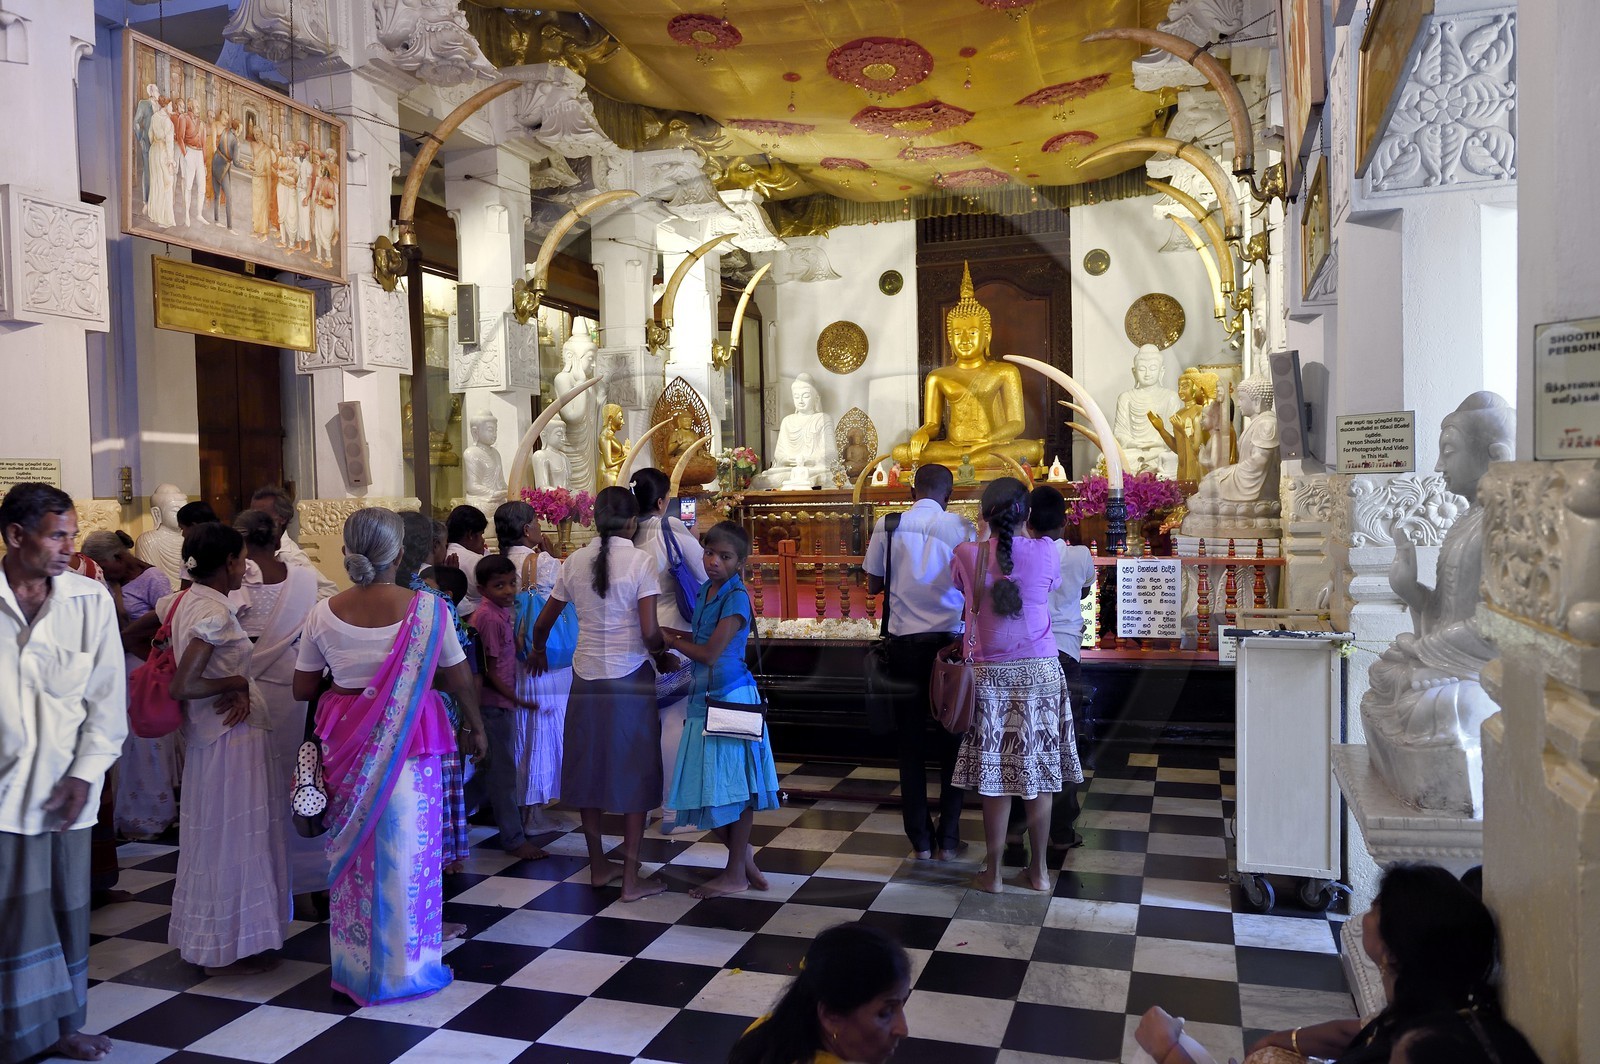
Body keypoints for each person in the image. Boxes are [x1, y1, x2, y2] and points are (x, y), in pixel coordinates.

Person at [292, 508, 486, 1006]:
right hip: (413, 738)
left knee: (355, 854)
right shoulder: (429, 610)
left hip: (343, 741)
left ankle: (357, 969)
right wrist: (475, 726)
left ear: (346, 552)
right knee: (408, 851)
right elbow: (460, 677)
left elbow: (302, 688)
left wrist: (355, 682)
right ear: (400, 554)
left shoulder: (322, 612)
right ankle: (406, 968)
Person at [1135, 864, 1540, 1064]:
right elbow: (1355, 1030)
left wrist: (1170, 1050)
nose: (1366, 913)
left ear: (1393, 952)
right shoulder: (1455, 1003)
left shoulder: (1417, 1050)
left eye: (1377, 908)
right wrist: (1284, 1038)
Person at [0, 484, 126, 1064]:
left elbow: (106, 701)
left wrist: (85, 773)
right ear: (15, 536)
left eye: (71, 536)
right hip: (3, 797)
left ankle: (62, 1028)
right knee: (10, 920)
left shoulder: (87, 601)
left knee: (65, 914)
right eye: (57, 535)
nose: (67, 547)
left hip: (65, 793)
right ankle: (14, 1035)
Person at [162, 522, 290, 976]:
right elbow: (185, 683)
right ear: (226, 565)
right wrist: (238, 680)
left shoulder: (190, 601)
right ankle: (228, 945)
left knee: (216, 837)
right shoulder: (213, 613)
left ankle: (223, 940)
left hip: (216, 736)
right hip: (229, 741)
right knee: (235, 838)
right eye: (240, 559)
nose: (246, 566)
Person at [530, 486, 670, 902]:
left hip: (586, 679)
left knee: (587, 770)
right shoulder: (641, 561)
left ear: (595, 520)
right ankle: (630, 880)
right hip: (630, 680)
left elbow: (542, 624)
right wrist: (664, 657)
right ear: (632, 523)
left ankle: (597, 867)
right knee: (635, 770)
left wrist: (539, 651)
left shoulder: (573, 562)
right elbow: (649, 633)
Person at [951, 477, 1081, 894]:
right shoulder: (1046, 553)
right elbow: (1049, 586)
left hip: (991, 676)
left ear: (984, 514)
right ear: (1026, 514)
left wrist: (985, 533)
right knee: (1037, 776)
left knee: (996, 779)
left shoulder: (967, 554)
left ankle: (993, 874)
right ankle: (1040, 872)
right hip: (1041, 673)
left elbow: (964, 589)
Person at [862, 463, 975, 860]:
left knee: (909, 744)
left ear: (912, 491)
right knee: (952, 740)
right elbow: (972, 585)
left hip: (905, 645)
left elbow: (873, 582)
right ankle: (948, 839)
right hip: (951, 647)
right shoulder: (963, 528)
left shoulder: (888, 525)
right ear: (950, 494)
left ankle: (921, 842)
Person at [661, 521, 779, 898]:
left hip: (730, 697)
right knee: (705, 787)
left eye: (725, 557)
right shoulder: (707, 589)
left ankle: (735, 873)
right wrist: (670, 634)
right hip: (704, 698)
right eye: (709, 553)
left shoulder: (735, 597)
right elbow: (699, 639)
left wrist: (668, 639)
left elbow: (710, 654)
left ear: (741, 562)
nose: (714, 562)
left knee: (734, 791)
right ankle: (741, 863)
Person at [231, 509, 324, 900]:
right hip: (294, 677)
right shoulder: (304, 577)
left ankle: (263, 877)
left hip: (246, 682)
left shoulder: (237, 581)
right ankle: (306, 879)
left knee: (256, 780)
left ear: (243, 540)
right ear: (277, 535)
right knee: (297, 774)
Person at [1003, 485, 1096, 860]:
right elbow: (1086, 592)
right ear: (1064, 520)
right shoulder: (1078, 555)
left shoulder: (1017, 555)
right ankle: (1060, 832)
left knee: (1016, 741)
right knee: (1061, 744)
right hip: (1065, 653)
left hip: (1024, 654)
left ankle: (1011, 830)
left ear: (1026, 518)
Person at [77, 531, 177, 841]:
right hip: (116, 668)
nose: (104, 573)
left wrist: (127, 633)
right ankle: (123, 815)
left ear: (120, 557)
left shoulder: (153, 579)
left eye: (106, 566)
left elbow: (165, 621)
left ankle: (151, 816)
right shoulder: (110, 582)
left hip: (143, 666)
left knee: (146, 743)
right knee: (121, 742)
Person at [397, 511, 473, 883]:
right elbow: (457, 669)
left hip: (371, 719)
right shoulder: (431, 600)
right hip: (430, 718)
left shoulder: (344, 602)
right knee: (427, 806)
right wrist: (475, 723)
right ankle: (428, 890)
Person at [631, 467, 707, 818]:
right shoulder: (670, 528)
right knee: (675, 719)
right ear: (662, 502)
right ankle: (672, 805)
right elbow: (706, 574)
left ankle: (642, 805)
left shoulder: (623, 534)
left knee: (645, 722)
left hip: (635, 638)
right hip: (673, 635)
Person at [726, 922, 911, 1064]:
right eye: (885, 1013)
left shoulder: (767, 1027)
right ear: (831, 1016)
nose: (903, 1030)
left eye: (901, 1005)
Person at [466, 553, 547, 861]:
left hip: (500, 704)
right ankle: (514, 840)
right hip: (493, 706)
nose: (509, 591)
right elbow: (487, 670)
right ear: (482, 588)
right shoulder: (487, 617)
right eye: (499, 585)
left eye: (512, 583)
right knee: (502, 776)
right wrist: (516, 699)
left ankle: (449, 813)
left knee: (490, 775)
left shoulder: (498, 614)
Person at [495, 502, 569, 833]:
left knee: (520, 732)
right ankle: (533, 813)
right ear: (527, 530)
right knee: (542, 728)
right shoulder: (545, 564)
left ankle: (519, 806)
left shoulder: (493, 562)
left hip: (510, 660)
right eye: (537, 522)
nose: (540, 526)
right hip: (542, 659)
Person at [250, 485, 337, 599]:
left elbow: (329, 591)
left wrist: (292, 606)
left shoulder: (291, 557)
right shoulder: (250, 550)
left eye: (263, 516)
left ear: (282, 519)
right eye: (252, 515)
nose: (254, 521)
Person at [444, 504, 489, 617]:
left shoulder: (442, 555)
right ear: (470, 535)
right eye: (481, 535)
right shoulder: (477, 562)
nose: (483, 540)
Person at [145, 97, 177, 228]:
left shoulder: (154, 117)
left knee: (156, 182)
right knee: (166, 184)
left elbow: (150, 135)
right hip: (163, 151)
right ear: (166, 106)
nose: (172, 109)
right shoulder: (168, 122)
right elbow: (169, 143)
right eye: (170, 106)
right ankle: (165, 219)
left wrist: (155, 143)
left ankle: (154, 214)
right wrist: (171, 161)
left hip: (154, 151)